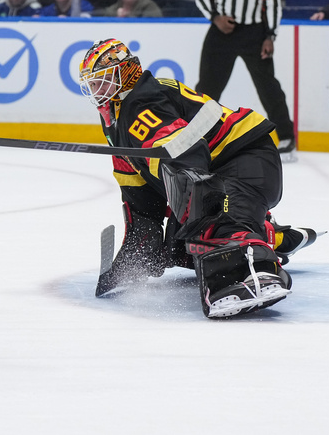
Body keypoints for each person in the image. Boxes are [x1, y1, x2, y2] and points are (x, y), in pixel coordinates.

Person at [77, 38, 315, 317]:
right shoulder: (118, 125)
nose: (96, 91)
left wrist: (200, 215)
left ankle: (256, 269)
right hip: (224, 167)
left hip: (246, 157)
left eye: (103, 81)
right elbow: (141, 203)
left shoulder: (142, 103)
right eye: (92, 84)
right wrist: (137, 257)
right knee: (182, 248)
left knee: (212, 222)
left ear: (126, 73)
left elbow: (187, 155)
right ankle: (271, 235)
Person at [195, 0, 296, 155]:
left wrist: (270, 35)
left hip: (254, 33)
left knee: (268, 86)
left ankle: (285, 136)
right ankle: (195, 135)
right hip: (221, 31)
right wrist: (215, 18)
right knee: (207, 87)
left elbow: (272, 1)